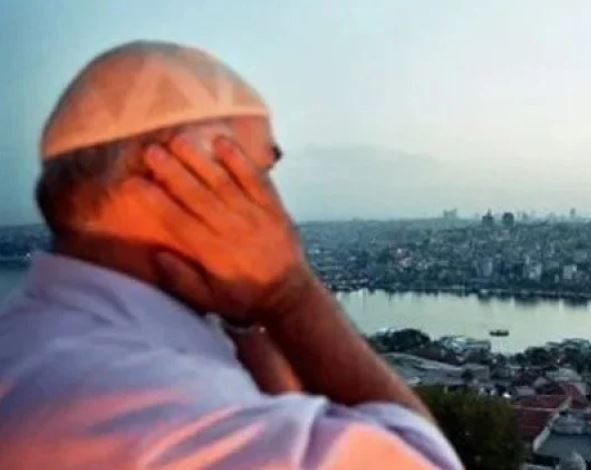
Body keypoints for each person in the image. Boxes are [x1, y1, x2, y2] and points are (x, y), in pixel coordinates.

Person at [0, 41, 462, 469]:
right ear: (174, 174)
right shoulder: (155, 409)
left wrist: (247, 319)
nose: (276, 208)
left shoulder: (39, 341)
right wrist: (290, 293)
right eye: (259, 173)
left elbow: (282, 414)